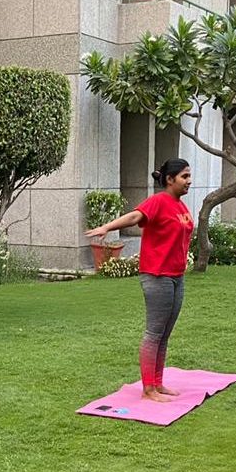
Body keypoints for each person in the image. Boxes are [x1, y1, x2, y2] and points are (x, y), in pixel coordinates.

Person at [85, 158, 195, 402]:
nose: (189, 181)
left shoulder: (180, 206)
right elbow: (135, 217)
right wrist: (107, 227)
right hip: (157, 276)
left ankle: (158, 383)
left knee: (165, 333)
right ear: (170, 179)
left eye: (189, 176)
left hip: (176, 277)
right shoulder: (158, 201)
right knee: (154, 332)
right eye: (184, 176)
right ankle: (148, 389)